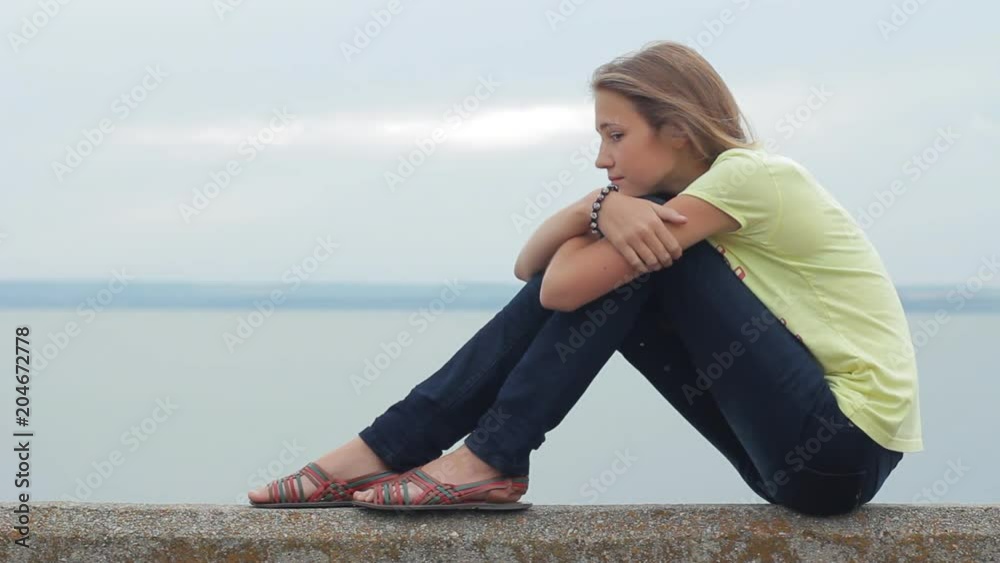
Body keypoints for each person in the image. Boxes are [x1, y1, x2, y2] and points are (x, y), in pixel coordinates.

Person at [247, 40, 922, 514]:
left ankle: (471, 454)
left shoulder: (750, 177)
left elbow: (557, 285)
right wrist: (593, 207)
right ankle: (407, 447)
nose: (602, 157)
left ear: (679, 130)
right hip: (791, 463)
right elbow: (534, 271)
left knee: (647, 256)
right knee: (632, 262)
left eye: (615, 135)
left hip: (841, 446)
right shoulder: (668, 208)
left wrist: (603, 213)